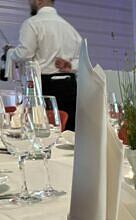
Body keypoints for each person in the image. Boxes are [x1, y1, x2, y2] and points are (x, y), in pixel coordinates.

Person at [4, 0, 82, 131]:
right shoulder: (70, 28)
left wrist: (11, 52)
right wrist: (71, 66)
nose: (29, 3)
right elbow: (82, 60)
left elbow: (24, 54)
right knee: (68, 132)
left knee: (40, 130)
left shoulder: (32, 24)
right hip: (69, 86)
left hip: (44, 86)